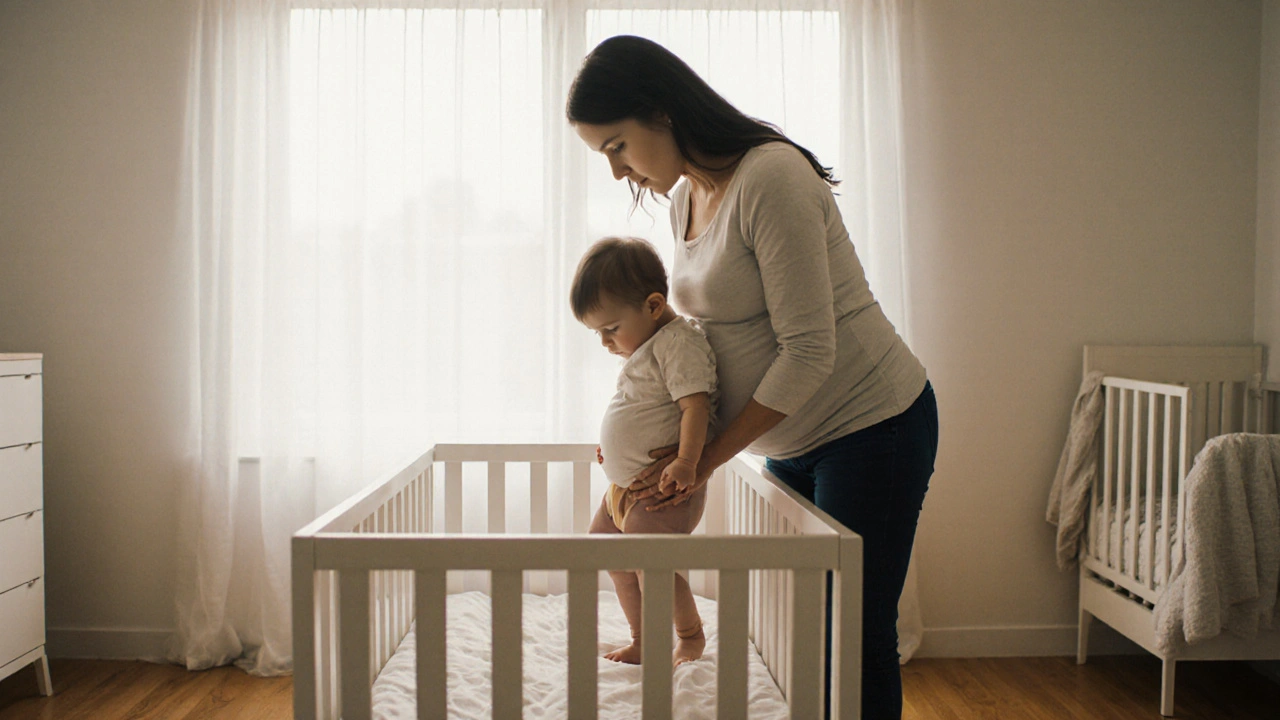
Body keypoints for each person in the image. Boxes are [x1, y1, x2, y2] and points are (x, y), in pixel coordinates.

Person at [566, 35, 939, 719]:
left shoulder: (771, 178)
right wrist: (640, 432)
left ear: (660, 112)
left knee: (852, 631)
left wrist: (701, 460)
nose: (617, 171)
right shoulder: (683, 202)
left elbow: (808, 351)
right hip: (789, 440)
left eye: (616, 146)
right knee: (810, 626)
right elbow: (700, 343)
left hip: (871, 424)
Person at [570, 235, 720, 668]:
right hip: (625, 488)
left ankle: (689, 635)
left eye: (610, 329)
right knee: (605, 548)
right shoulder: (648, 345)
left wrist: (688, 462)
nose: (604, 342)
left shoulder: (679, 342)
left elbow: (695, 405)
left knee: (649, 560)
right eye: (597, 333)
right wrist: (616, 448)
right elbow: (643, 408)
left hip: (664, 489)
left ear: (654, 306)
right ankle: (643, 637)